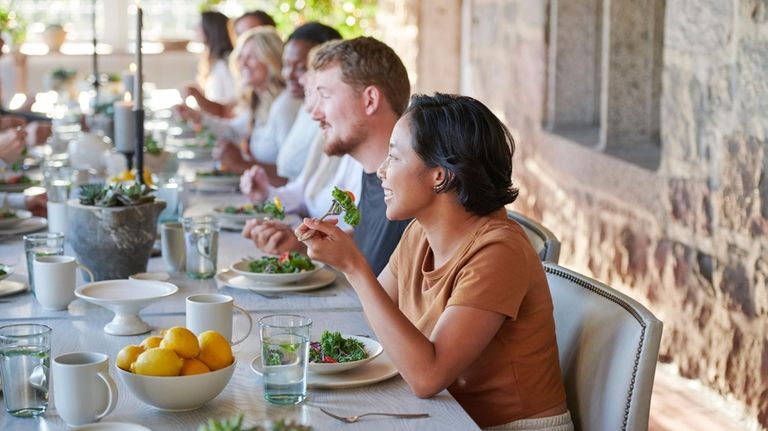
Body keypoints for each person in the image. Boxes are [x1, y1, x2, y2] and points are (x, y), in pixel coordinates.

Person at [297, 93, 573, 430]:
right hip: (447, 416)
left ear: (440, 176)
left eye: (394, 158)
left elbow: (428, 377)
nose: (381, 172)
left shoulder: (500, 251)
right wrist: (343, 261)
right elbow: (376, 317)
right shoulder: (420, 232)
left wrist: (353, 266)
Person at [242, 37, 411, 276]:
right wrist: (301, 245)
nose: (315, 113)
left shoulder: (410, 189)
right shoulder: (374, 172)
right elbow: (368, 247)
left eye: (325, 96)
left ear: (370, 100)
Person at [177, 27, 302, 181]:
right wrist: (196, 117)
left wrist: (242, 164)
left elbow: (291, 176)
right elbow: (234, 131)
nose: (242, 63)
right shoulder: (259, 100)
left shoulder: (284, 105)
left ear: (272, 60)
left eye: (252, 57)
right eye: (241, 56)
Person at [182, 11, 236, 116]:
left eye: (200, 25)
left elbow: (227, 109)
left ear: (210, 30)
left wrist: (197, 95)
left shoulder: (224, 64)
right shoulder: (212, 61)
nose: (195, 29)